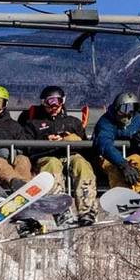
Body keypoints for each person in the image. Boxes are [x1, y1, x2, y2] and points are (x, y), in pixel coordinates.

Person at [23, 85, 98, 224]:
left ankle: (87, 210)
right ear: (43, 102)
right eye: (50, 102)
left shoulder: (72, 122)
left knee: (81, 164)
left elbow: (86, 148)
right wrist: (46, 141)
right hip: (47, 157)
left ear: (63, 102)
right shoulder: (34, 124)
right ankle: (60, 210)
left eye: (58, 101)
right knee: (52, 164)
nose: (54, 106)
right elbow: (27, 147)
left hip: (70, 155)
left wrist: (71, 139)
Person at [92, 91, 140, 197]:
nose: (128, 113)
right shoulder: (106, 122)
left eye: (133, 109)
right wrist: (123, 165)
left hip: (130, 156)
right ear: (116, 109)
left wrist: (139, 136)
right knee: (116, 171)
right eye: (124, 109)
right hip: (109, 158)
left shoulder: (136, 119)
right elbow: (105, 145)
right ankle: (124, 197)